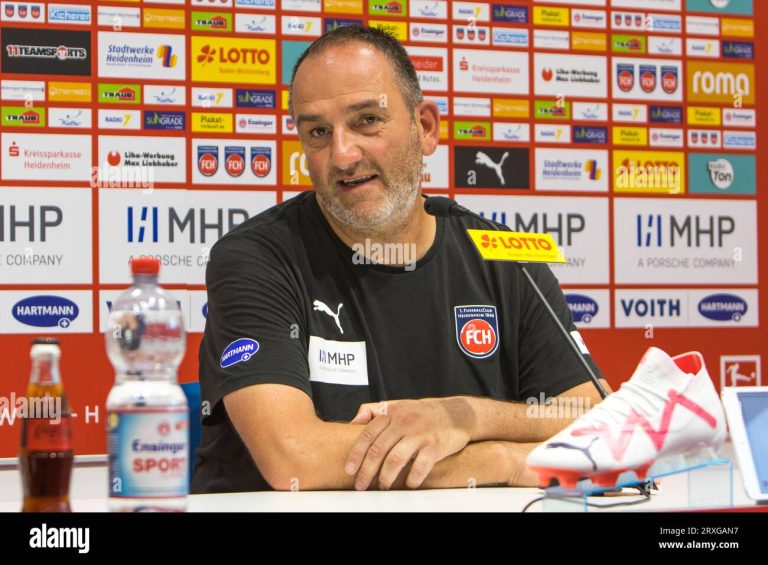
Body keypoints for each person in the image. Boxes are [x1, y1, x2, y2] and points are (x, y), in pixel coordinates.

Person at [191, 26, 610, 494]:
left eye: (368, 120)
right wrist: (501, 459)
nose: (343, 154)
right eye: (318, 132)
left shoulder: (505, 254)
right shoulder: (257, 257)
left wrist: (461, 418)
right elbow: (296, 458)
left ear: (425, 128)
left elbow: (595, 418)